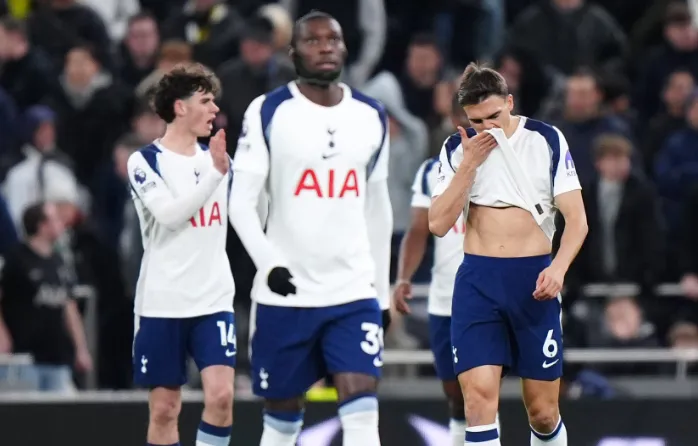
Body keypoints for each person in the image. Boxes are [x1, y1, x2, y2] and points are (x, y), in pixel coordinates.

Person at [229, 10, 392, 446]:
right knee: (281, 421)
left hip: (352, 291)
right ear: (293, 52)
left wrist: (382, 292)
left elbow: (378, 208)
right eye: (313, 40)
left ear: (345, 47)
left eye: (332, 39)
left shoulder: (371, 115)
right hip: (287, 294)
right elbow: (240, 203)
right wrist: (269, 265)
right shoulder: (269, 111)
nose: (325, 48)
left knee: (362, 409)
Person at [429, 62, 588, 445]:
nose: (488, 128)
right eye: (477, 120)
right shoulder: (457, 149)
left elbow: (577, 221)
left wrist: (558, 269)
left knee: (544, 413)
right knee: (478, 403)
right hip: (478, 284)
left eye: (495, 116)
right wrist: (469, 165)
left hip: (533, 283)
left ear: (510, 102)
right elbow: (438, 223)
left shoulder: (545, 139)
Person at [127, 63, 237, 446]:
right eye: (205, 101)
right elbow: (170, 217)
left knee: (221, 397)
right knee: (164, 409)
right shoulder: (145, 161)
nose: (214, 109)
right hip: (163, 301)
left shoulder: (220, 161)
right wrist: (215, 174)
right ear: (180, 107)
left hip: (213, 298)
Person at [393, 102, 475, 445]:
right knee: (455, 394)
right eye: (469, 117)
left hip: (491, 295)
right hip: (446, 299)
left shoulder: (511, 164)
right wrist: (403, 278)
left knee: (481, 391)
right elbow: (417, 230)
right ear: (455, 121)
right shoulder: (432, 171)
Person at [0, 201, 92, 393]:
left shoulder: (59, 261)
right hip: (24, 357)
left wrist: (81, 348)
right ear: (42, 225)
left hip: (58, 357)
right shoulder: (16, 259)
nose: (60, 224)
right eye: (55, 219)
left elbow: (70, 307)